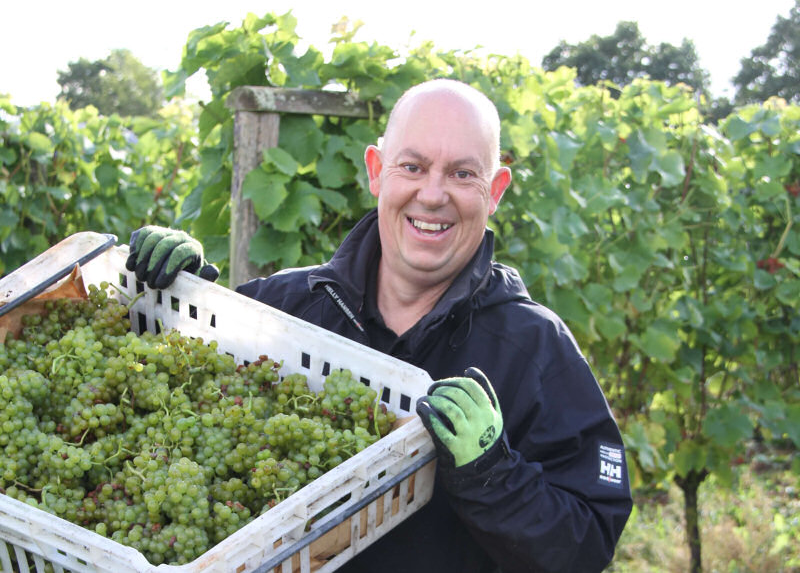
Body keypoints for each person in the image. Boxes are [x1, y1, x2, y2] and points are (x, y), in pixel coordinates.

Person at [127, 79, 632, 572]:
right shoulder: (284, 307)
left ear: (495, 190)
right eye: (412, 166)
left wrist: (492, 476)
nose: (432, 195)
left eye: (462, 174)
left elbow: (588, 544)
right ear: (376, 170)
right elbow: (148, 406)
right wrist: (175, 297)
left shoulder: (535, 350)